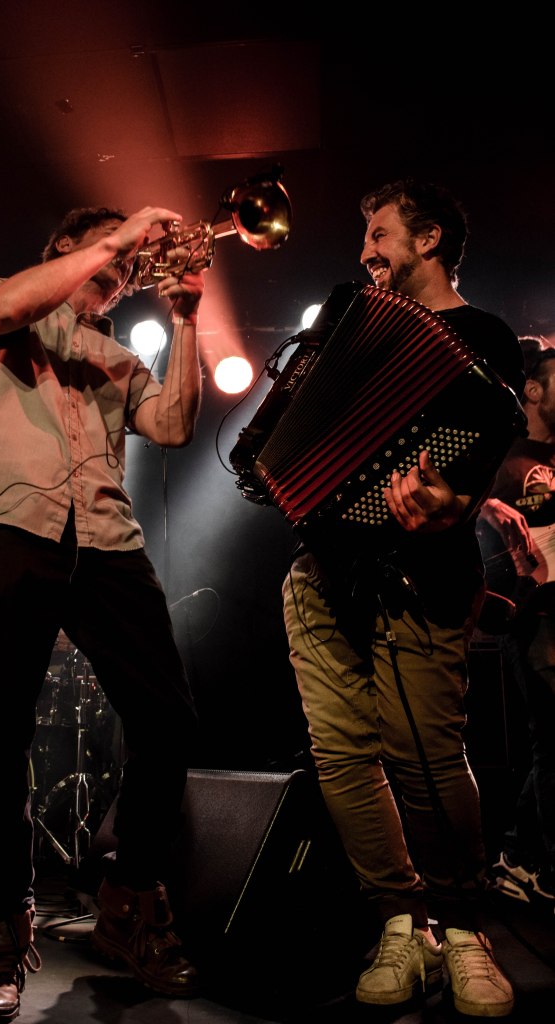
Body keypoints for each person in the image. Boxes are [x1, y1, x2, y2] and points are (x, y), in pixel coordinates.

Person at [0, 203, 205, 1019]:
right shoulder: (2, 296)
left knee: (168, 720)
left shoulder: (119, 356)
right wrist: (119, 236)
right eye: (109, 255)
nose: (122, 271)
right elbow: (1, 312)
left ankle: (127, 900)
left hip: (104, 539)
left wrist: (185, 319)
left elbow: (173, 424)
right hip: (8, 523)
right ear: (66, 248)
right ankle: (1, 936)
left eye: (126, 266)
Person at [281, 180, 523, 1016]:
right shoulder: (350, 330)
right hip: (320, 573)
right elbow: (297, 429)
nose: (364, 252)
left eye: (379, 234)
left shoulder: (483, 337)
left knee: (425, 758)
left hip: (421, 575)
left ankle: (463, 929)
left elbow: (477, 456)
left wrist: (452, 501)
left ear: (428, 240)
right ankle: (398, 922)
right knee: (342, 756)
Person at [476, 336, 555, 910]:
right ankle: (539, 862)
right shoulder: (500, 450)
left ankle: (520, 856)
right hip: (531, 614)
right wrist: (487, 507)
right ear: (533, 390)